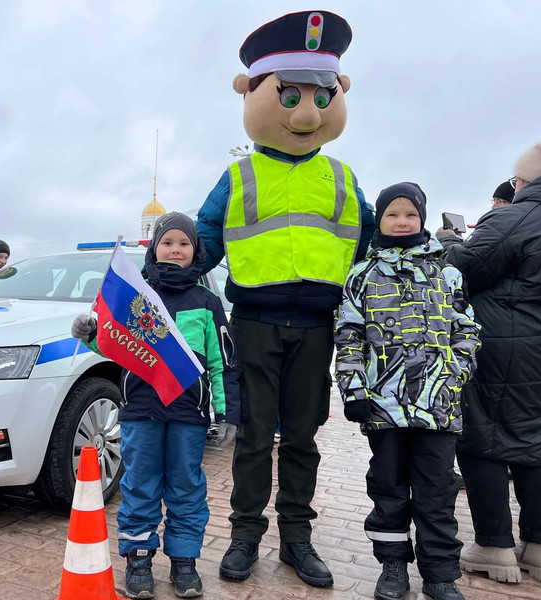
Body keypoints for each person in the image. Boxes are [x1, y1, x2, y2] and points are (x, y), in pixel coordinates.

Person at [195, 11, 376, 587]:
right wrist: (167, 270)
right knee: (254, 437)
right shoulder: (240, 174)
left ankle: (297, 538)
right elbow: (205, 235)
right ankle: (245, 536)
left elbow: (372, 243)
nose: (307, 111)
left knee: (302, 436)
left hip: (318, 324)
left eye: (321, 97)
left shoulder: (344, 178)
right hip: (256, 319)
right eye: (291, 95)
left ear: (337, 94)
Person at [70, 212, 240, 599]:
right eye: (168, 242)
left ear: (195, 251)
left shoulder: (207, 302)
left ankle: (184, 561)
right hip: (141, 411)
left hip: (187, 415)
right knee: (140, 486)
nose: (175, 249)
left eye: (184, 243)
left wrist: (228, 415)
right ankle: (139, 558)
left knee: (186, 487)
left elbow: (223, 363)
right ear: (154, 247)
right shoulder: (137, 295)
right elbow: (115, 343)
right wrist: (90, 334)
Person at [335, 182, 482, 600]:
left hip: (438, 405)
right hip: (383, 405)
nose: (402, 222)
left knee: (437, 490)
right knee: (388, 485)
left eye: (411, 215)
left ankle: (440, 573)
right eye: (393, 215)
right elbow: (349, 335)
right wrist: (353, 388)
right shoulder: (362, 275)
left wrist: (455, 372)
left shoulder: (447, 272)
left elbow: (467, 328)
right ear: (380, 220)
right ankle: (393, 563)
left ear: (422, 219)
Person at [436, 134, 541, 587]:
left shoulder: (521, 216)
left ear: (527, 179)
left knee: (483, 438)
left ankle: (495, 545)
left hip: (501, 347)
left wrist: (449, 242)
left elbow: (463, 268)